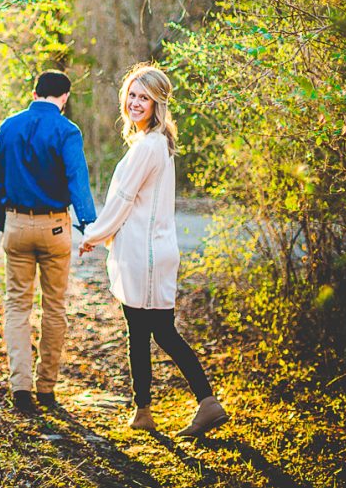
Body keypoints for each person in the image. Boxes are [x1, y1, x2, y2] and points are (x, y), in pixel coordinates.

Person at [78, 63, 228, 437]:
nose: (135, 102)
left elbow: (123, 200)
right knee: (144, 331)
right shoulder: (155, 143)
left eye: (144, 97)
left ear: (158, 103)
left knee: (159, 333)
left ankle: (205, 403)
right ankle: (143, 410)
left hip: (144, 255)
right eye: (131, 94)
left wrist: (93, 235)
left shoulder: (150, 145)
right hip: (150, 252)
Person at [0, 70, 96, 416]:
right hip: (54, 229)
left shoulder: (9, 126)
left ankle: (20, 386)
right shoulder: (68, 131)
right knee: (55, 308)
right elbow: (77, 179)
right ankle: (46, 387)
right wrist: (89, 224)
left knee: (17, 306)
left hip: (17, 223)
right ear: (64, 98)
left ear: (34, 92)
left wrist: (0, 218)